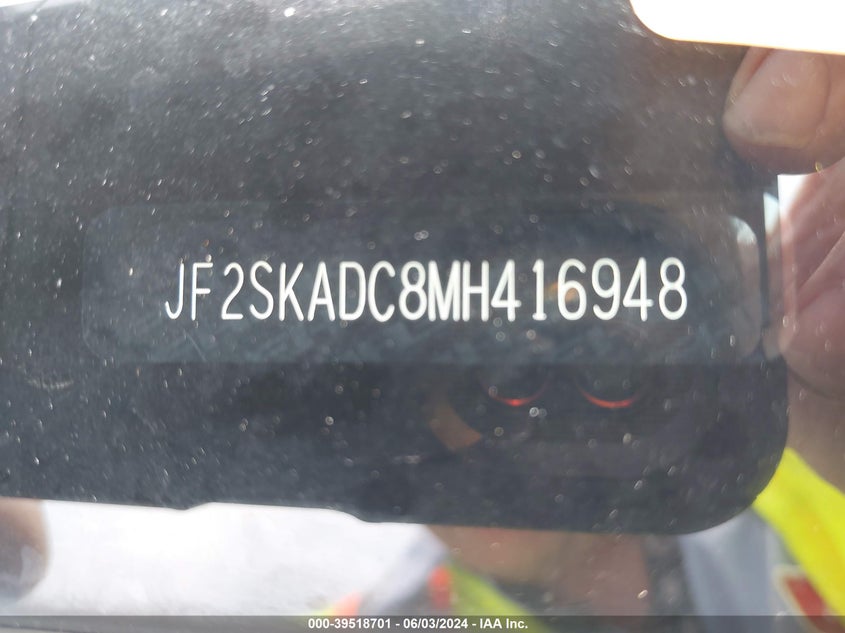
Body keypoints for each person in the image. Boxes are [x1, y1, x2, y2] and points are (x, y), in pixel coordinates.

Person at [327, 47, 845, 624]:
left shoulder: (786, 455)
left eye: (587, 348)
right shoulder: (377, 617)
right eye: (481, 367)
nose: (510, 418)